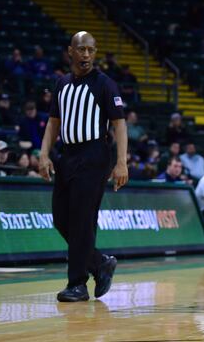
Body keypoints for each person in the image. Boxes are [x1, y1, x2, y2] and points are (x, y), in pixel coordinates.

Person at [39, 31, 128, 302]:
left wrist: (121, 162)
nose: (86, 54)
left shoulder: (105, 84)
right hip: (67, 156)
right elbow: (53, 122)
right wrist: (44, 154)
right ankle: (100, 263)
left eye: (90, 50)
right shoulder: (62, 84)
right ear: (71, 52)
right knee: (60, 219)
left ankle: (77, 284)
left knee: (82, 221)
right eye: (81, 49)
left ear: (95, 52)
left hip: (94, 155)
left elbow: (119, 124)